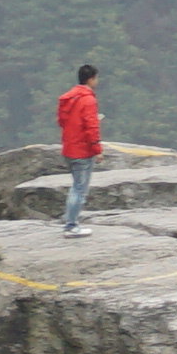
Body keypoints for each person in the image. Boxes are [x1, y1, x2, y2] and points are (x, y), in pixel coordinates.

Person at [54, 62, 106, 230]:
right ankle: (71, 224)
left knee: (76, 185)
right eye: (96, 78)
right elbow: (91, 126)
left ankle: (70, 219)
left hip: (69, 148)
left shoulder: (69, 97)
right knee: (79, 189)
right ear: (91, 79)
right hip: (82, 151)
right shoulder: (88, 99)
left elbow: (62, 121)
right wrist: (97, 149)